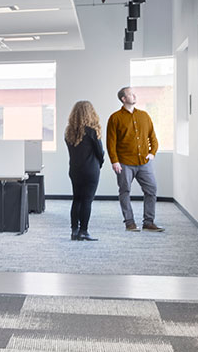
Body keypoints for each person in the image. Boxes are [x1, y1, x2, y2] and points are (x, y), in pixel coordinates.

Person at [105, 86, 165, 233]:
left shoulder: (144, 116)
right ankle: (129, 223)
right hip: (124, 163)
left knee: (151, 190)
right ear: (123, 99)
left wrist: (152, 153)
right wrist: (114, 161)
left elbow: (153, 138)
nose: (134, 96)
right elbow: (110, 142)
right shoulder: (115, 118)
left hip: (144, 163)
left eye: (134, 94)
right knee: (125, 191)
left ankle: (148, 222)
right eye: (131, 94)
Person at [63, 100, 106, 241]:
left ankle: (74, 231)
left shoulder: (69, 132)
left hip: (75, 170)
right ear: (90, 113)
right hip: (90, 170)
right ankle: (84, 231)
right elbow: (100, 152)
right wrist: (100, 163)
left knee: (76, 199)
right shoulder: (92, 131)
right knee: (87, 200)